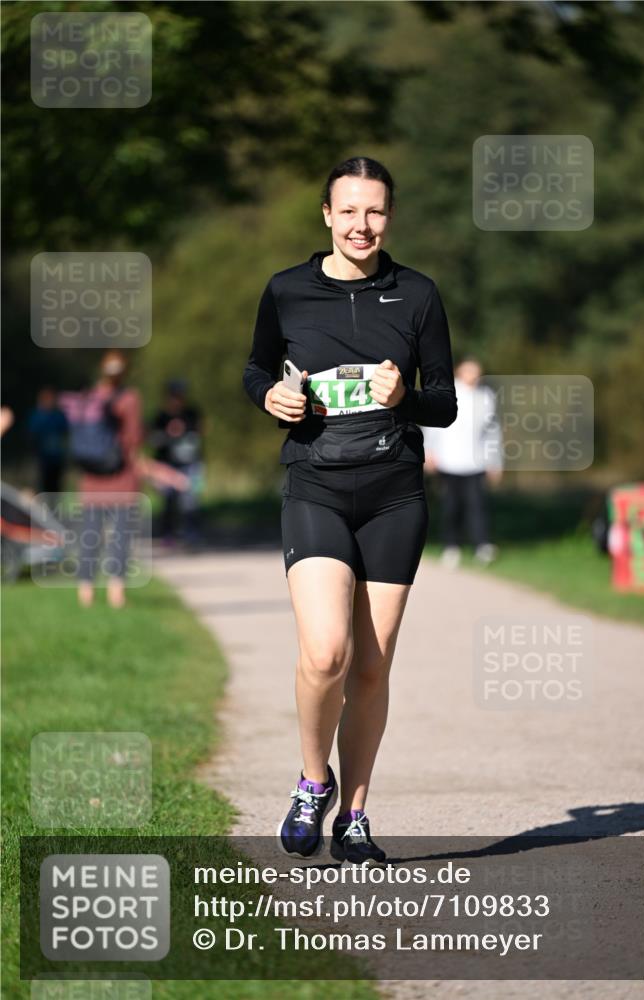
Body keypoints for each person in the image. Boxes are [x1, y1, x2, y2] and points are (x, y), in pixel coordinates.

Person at [243, 156, 457, 865]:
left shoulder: (418, 295)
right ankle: (312, 781)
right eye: (349, 211)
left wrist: (405, 400)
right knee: (325, 650)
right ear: (326, 215)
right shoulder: (286, 291)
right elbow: (255, 370)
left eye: (375, 211)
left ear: (387, 217)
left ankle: (355, 816)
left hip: (393, 494)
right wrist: (269, 397)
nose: (361, 224)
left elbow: (445, 405)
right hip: (316, 483)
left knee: (370, 666)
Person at [60, 350, 143, 609]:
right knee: (120, 537)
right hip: (122, 478)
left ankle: (84, 594)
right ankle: (115, 595)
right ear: (124, 372)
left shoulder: (87, 398)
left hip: (90, 480)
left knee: (89, 536)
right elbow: (134, 438)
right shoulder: (129, 398)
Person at [422, 357, 503, 568]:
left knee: (477, 506)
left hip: (476, 462)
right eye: (468, 371)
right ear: (459, 372)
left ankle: (482, 546)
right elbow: (433, 425)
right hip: (448, 460)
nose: (472, 376)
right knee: (451, 506)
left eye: (476, 372)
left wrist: (495, 461)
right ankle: (451, 546)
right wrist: (428, 452)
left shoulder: (486, 397)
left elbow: (493, 432)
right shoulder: (448, 393)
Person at [150, 379, 204, 546]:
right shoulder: (161, 417)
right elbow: (153, 439)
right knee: (168, 500)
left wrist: (185, 429)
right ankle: (168, 534)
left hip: (190, 463)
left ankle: (191, 533)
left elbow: (202, 431)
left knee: (190, 501)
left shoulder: (191, 413)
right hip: (167, 465)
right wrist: (168, 434)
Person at [27, 387, 69, 496]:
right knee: (41, 487)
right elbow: (32, 436)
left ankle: (53, 511)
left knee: (55, 488)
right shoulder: (37, 416)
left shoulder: (58, 416)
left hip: (56, 458)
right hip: (42, 458)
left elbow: (65, 433)